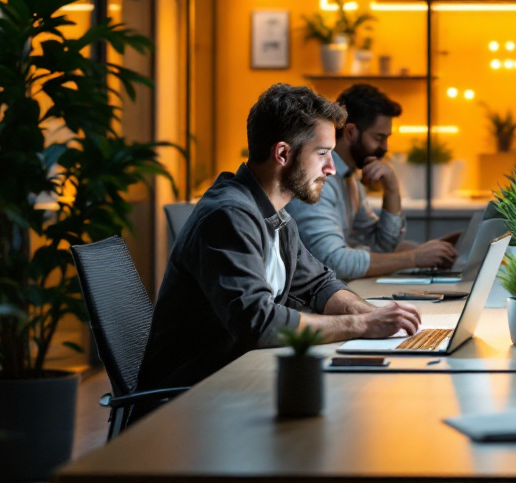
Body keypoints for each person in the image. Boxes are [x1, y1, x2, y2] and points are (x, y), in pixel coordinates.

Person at [138, 84, 421, 393]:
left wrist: (373, 314)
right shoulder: (229, 215)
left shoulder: (276, 213)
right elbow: (258, 322)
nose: (330, 168)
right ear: (283, 153)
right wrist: (361, 325)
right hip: (190, 401)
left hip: (240, 380)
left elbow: (319, 284)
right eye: (323, 154)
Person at [285, 84, 457, 280]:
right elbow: (334, 261)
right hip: (306, 305)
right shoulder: (317, 180)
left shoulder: (350, 180)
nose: (384, 148)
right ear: (350, 133)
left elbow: (382, 245)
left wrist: (392, 189)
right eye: (378, 138)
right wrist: (414, 258)